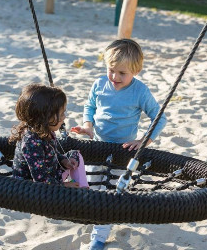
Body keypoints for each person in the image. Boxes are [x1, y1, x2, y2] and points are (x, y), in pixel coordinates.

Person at [71, 38, 167, 250]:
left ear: (136, 70)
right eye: (111, 70)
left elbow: (159, 118)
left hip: (122, 152)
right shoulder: (99, 84)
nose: (114, 77)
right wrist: (88, 126)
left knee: (110, 193)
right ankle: (96, 219)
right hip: (97, 147)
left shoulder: (139, 91)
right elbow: (90, 107)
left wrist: (143, 140)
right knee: (92, 185)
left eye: (122, 73)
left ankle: (99, 237)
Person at [10, 83, 89, 188]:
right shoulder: (31, 142)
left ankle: (82, 188)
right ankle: (79, 193)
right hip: (32, 189)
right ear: (45, 118)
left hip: (51, 175)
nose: (64, 117)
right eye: (61, 114)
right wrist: (64, 185)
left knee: (75, 155)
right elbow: (40, 180)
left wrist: (64, 160)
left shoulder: (45, 130)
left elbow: (52, 154)